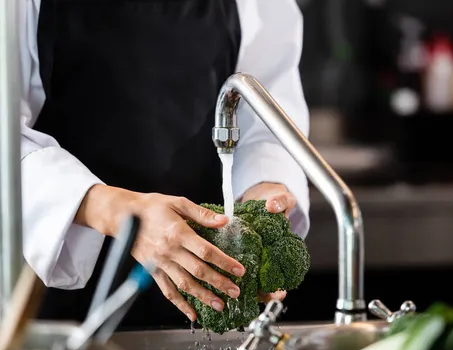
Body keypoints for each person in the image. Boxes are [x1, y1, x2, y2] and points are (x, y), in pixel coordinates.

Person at [18, 0, 310, 329]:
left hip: (201, 287)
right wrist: (118, 213)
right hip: (56, 290)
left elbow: (265, 123)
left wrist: (263, 186)